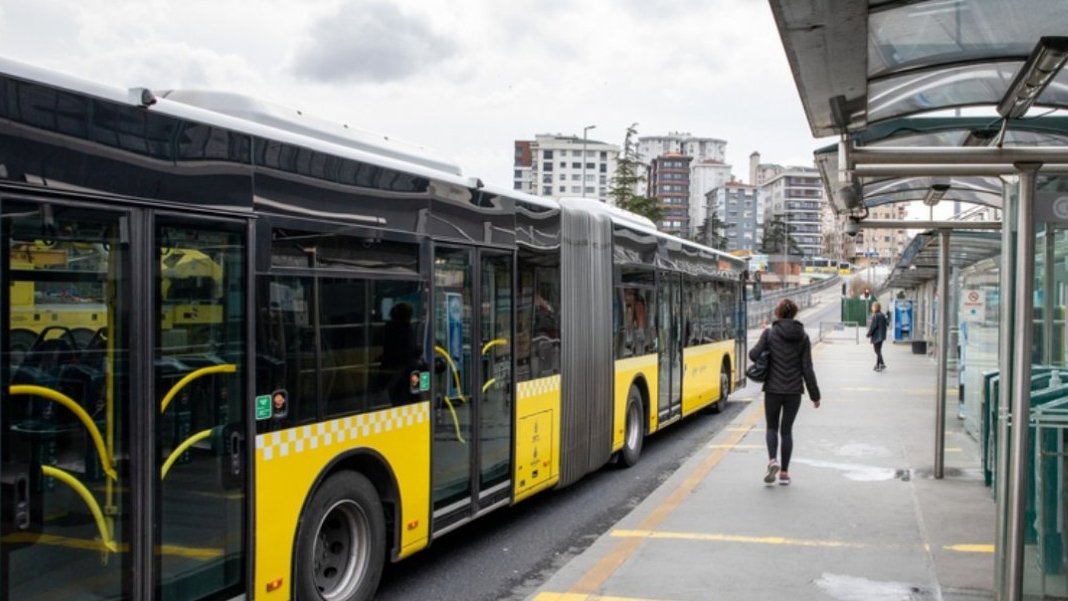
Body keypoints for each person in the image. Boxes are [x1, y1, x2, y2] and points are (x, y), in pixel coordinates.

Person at [748, 298, 821, 485]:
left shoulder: (770, 333)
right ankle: (784, 473)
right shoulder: (803, 337)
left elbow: (753, 355)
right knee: (786, 431)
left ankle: (773, 460)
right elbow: (807, 368)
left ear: (778, 313)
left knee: (771, 427)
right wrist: (815, 396)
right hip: (794, 391)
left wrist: (765, 340)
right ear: (794, 313)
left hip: (773, 389)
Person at [866, 301, 888, 371]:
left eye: (872, 307)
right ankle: (877, 365)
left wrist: (868, 334)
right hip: (882, 335)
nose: (871, 308)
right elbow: (887, 323)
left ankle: (882, 363)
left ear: (875, 307)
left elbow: (873, 326)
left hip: (877, 336)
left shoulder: (875, 315)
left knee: (876, 351)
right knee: (879, 351)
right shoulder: (882, 315)